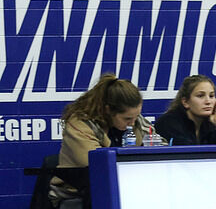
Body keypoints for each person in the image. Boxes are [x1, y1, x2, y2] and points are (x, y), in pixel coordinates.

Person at [50, 73, 151, 202]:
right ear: (108, 110)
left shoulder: (135, 120)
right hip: (78, 196)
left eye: (136, 116)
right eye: (127, 119)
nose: (132, 123)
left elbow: (158, 145)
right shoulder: (80, 123)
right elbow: (96, 164)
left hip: (125, 189)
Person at [154, 74, 216, 145]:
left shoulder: (211, 124)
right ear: (185, 102)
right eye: (200, 96)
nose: (208, 101)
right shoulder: (169, 123)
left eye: (211, 96)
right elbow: (189, 155)